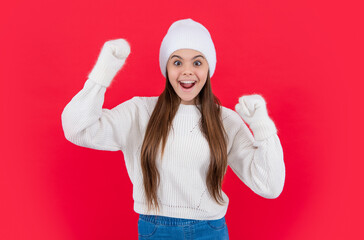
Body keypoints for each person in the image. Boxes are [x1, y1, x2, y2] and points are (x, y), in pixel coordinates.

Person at [61, 18, 285, 240]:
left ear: (209, 68)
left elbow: (270, 186)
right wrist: (102, 74)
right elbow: (77, 129)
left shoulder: (225, 120)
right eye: (177, 62)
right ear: (166, 68)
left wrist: (261, 126)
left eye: (197, 62)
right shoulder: (139, 112)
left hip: (211, 230)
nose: (187, 71)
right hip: (157, 231)